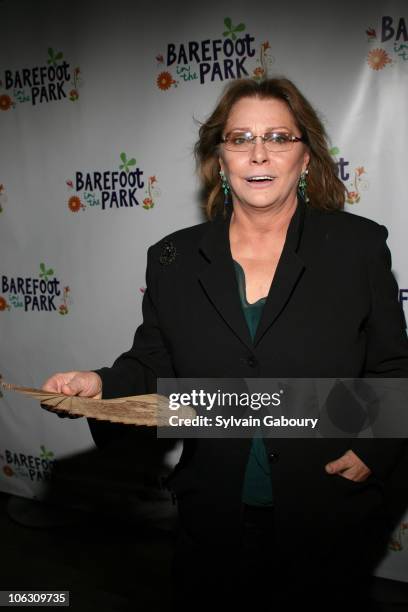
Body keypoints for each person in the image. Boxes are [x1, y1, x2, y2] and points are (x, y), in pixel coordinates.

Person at [42, 77, 408, 611]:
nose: (259, 153)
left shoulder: (357, 247)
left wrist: (373, 450)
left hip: (325, 510)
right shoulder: (173, 258)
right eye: (240, 138)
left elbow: (395, 365)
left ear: (306, 158)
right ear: (220, 157)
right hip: (211, 512)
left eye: (279, 137)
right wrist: (97, 384)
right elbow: (154, 361)